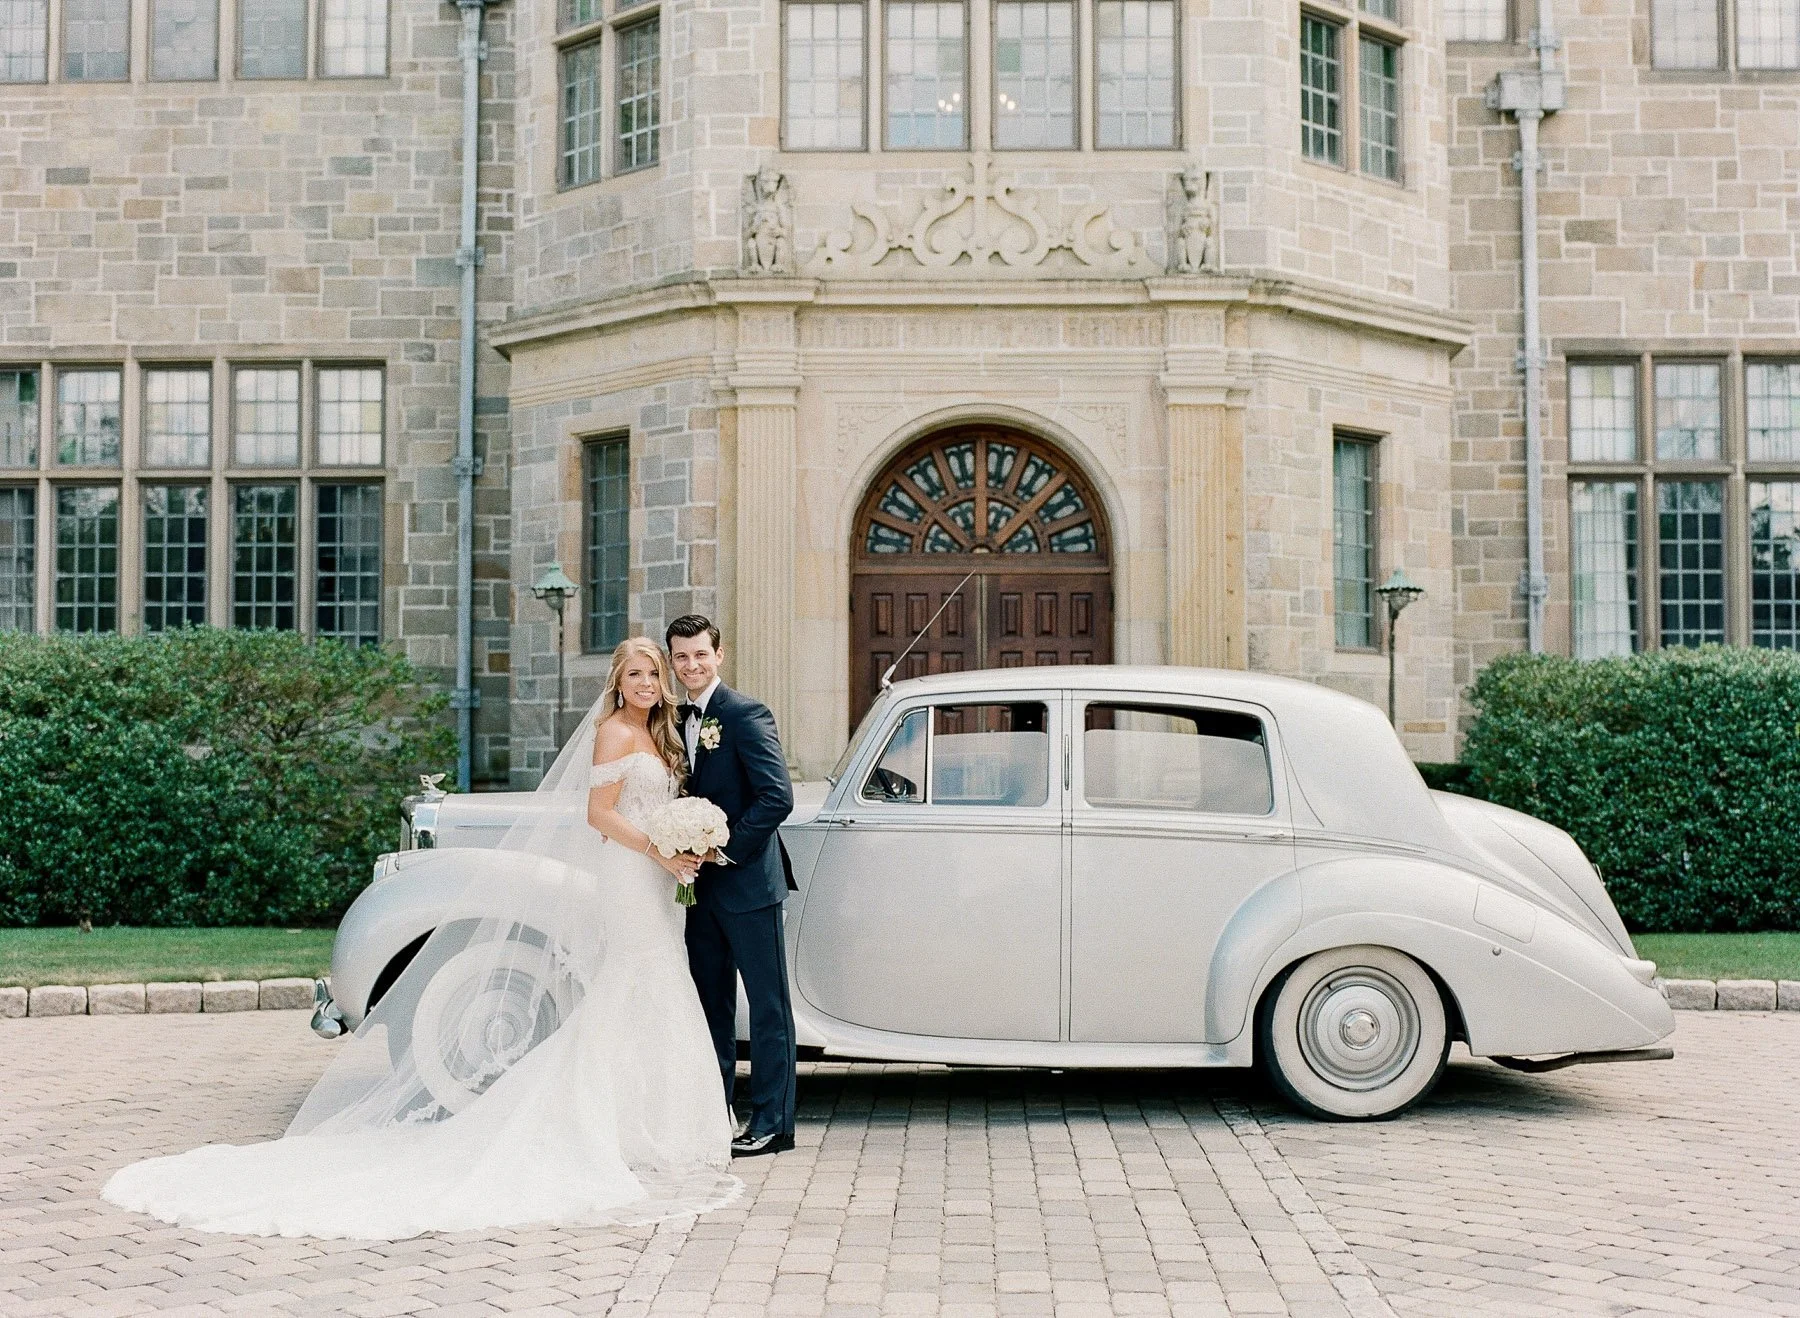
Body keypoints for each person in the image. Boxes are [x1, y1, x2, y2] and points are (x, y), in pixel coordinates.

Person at [102, 638, 739, 1239]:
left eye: (655, 673)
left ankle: (658, 1120)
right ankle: (618, 1126)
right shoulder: (612, 731)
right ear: (617, 682)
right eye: (636, 674)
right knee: (629, 986)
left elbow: (657, 802)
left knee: (655, 987)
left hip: (661, 882)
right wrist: (658, 847)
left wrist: (681, 847)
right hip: (631, 875)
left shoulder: (662, 732)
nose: (648, 683)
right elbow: (598, 814)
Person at [666, 615, 798, 1157]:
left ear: (720, 655)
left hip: (747, 885)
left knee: (767, 1009)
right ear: (671, 661)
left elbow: (777, 797)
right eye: (680, 657)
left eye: (700, 654)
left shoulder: (745, 714)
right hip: (694, 891)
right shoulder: (670, 719)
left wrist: (721, 849)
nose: (691, 665)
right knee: (709, 1008)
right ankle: (713, 1117)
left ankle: (772, 1124)